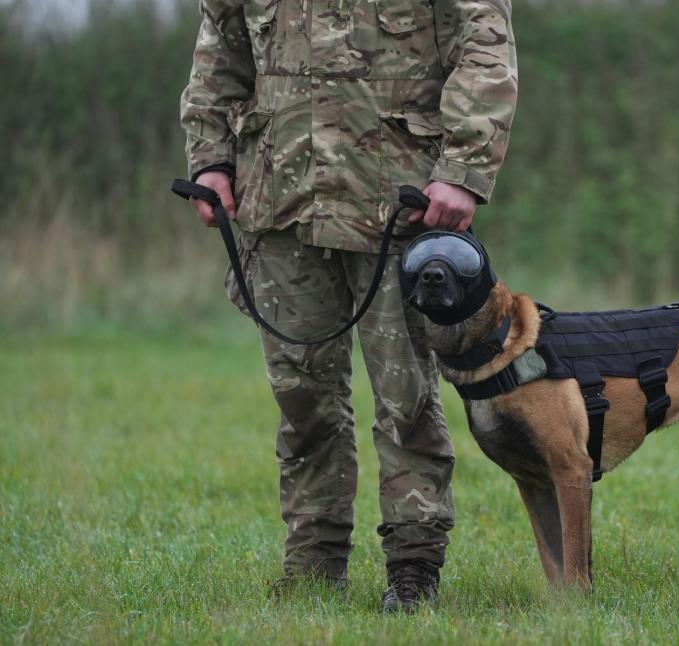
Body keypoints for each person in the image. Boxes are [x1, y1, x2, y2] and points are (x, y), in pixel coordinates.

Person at [179, 0, 517, 613]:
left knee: (407, 396)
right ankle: (313, 564)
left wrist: (465, 168)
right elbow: (220, 47)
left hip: (398, 200)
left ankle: (414, 568)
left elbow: (485, 45)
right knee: (301, 396)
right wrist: (210, 158)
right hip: (279, 197)